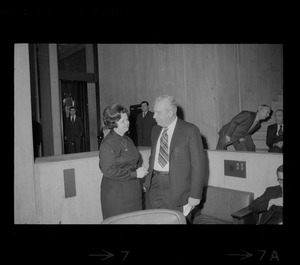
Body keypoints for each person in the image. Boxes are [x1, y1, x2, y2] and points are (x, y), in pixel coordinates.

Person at [144, 95, 206, 219]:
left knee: (176, 220)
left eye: (158, 112)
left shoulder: (190, 130)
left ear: (170, 113)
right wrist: (147, 181)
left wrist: (195, 195)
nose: (154, 116)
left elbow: (198, 166)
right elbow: (153, 157)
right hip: (154, 185)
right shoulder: (155, 130)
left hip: (177, 189)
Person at [99, 103, 148, 219]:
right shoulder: (108, 143)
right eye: (123, 121)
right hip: (116, 195)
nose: (128, 123)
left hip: (133, 192)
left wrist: (141, 177)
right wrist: (135, 174)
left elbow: (136, 161)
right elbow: (108, 171)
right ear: (113, 123)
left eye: (127, 119)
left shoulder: (128, 140)